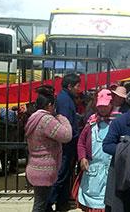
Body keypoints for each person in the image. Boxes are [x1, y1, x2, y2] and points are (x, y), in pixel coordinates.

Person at [24, 85, 72, 212]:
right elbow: (66, 136)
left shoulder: (33, 117)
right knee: (40, 205)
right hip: (44, 170)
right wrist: (62, 118)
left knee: (44, 204)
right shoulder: (46, 120)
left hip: (35, 167)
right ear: (50, 105)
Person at [76, 89, 121, 211]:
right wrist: (82, 157)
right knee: (92, 201)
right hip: (93, 170)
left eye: (105, 106)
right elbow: (81, 142)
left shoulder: (119, 122)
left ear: (111, 104)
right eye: (100, 106)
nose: (102, 109)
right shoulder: (91, 122)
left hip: (111, 169)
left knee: (109, 200)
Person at [47, 73, 81, 212]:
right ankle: (48, 204)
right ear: (70, 86)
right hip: (67, 144)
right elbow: (65, 122)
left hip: (69, 143)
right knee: (61, 175)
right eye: (77, 86)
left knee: (66, 174)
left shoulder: (66, 98)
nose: (79, 89)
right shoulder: (65, 100)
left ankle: (62, 203)